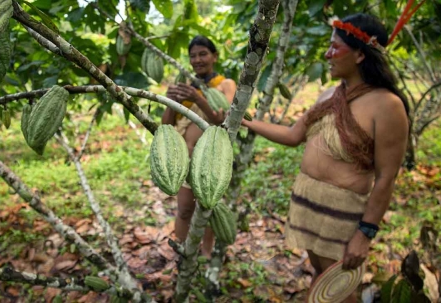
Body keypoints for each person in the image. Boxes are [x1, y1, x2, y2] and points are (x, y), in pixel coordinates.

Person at [241, 14, 409, 302]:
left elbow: (386, 177)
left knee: (340, 292)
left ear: (359, 54)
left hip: (341, 215)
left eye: (335, 47)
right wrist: (244, 123)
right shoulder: (331, 95)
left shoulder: (388, 105)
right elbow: (294, 135)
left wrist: (364, 234)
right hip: (308, 204)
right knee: (321, 279)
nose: (327, 54)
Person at [162, 35, 237, 257]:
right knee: (185, 210)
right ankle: (184, 254)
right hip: (185, 159)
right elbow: (166, 127)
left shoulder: (225, 84)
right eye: (193, 56)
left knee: (207, 210)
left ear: (215, 56)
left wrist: (199, 97)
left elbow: (225, 122)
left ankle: (205, 254)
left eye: (203, 54)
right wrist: (169, 101)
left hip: (211, 160)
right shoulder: (185, 86)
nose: (197, 60)